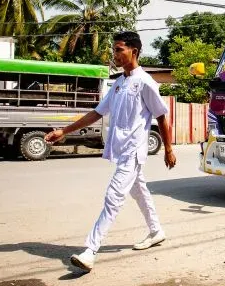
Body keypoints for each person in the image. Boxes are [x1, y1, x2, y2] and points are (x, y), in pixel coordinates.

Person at [45, 31, 176, 272]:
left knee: (113, 198)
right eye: (114, 50)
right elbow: (96, 114)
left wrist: (168, 149)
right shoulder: (118, 84)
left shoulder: (146, 82)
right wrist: (64, 131)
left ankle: (90, 250)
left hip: (133, 152)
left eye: (118, 50)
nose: (114, 54)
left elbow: (162, 116)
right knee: (139, 191)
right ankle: (156, 231)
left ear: (133, 52)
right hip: (120, 149)